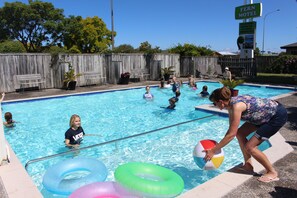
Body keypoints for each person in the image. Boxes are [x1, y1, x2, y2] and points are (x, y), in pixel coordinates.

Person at [205, 87, 287, 183]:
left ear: (220, 101)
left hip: (276, 116)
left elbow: (231, 135)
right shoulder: (230, 106)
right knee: (240, 133)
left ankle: (272, 172)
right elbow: (231, 131)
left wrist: (213, 150)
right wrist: (217, 147)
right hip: (263, 116)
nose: (214, 105)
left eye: (214, 103)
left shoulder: (237, 107)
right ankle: (248, 165)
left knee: (250, 147)